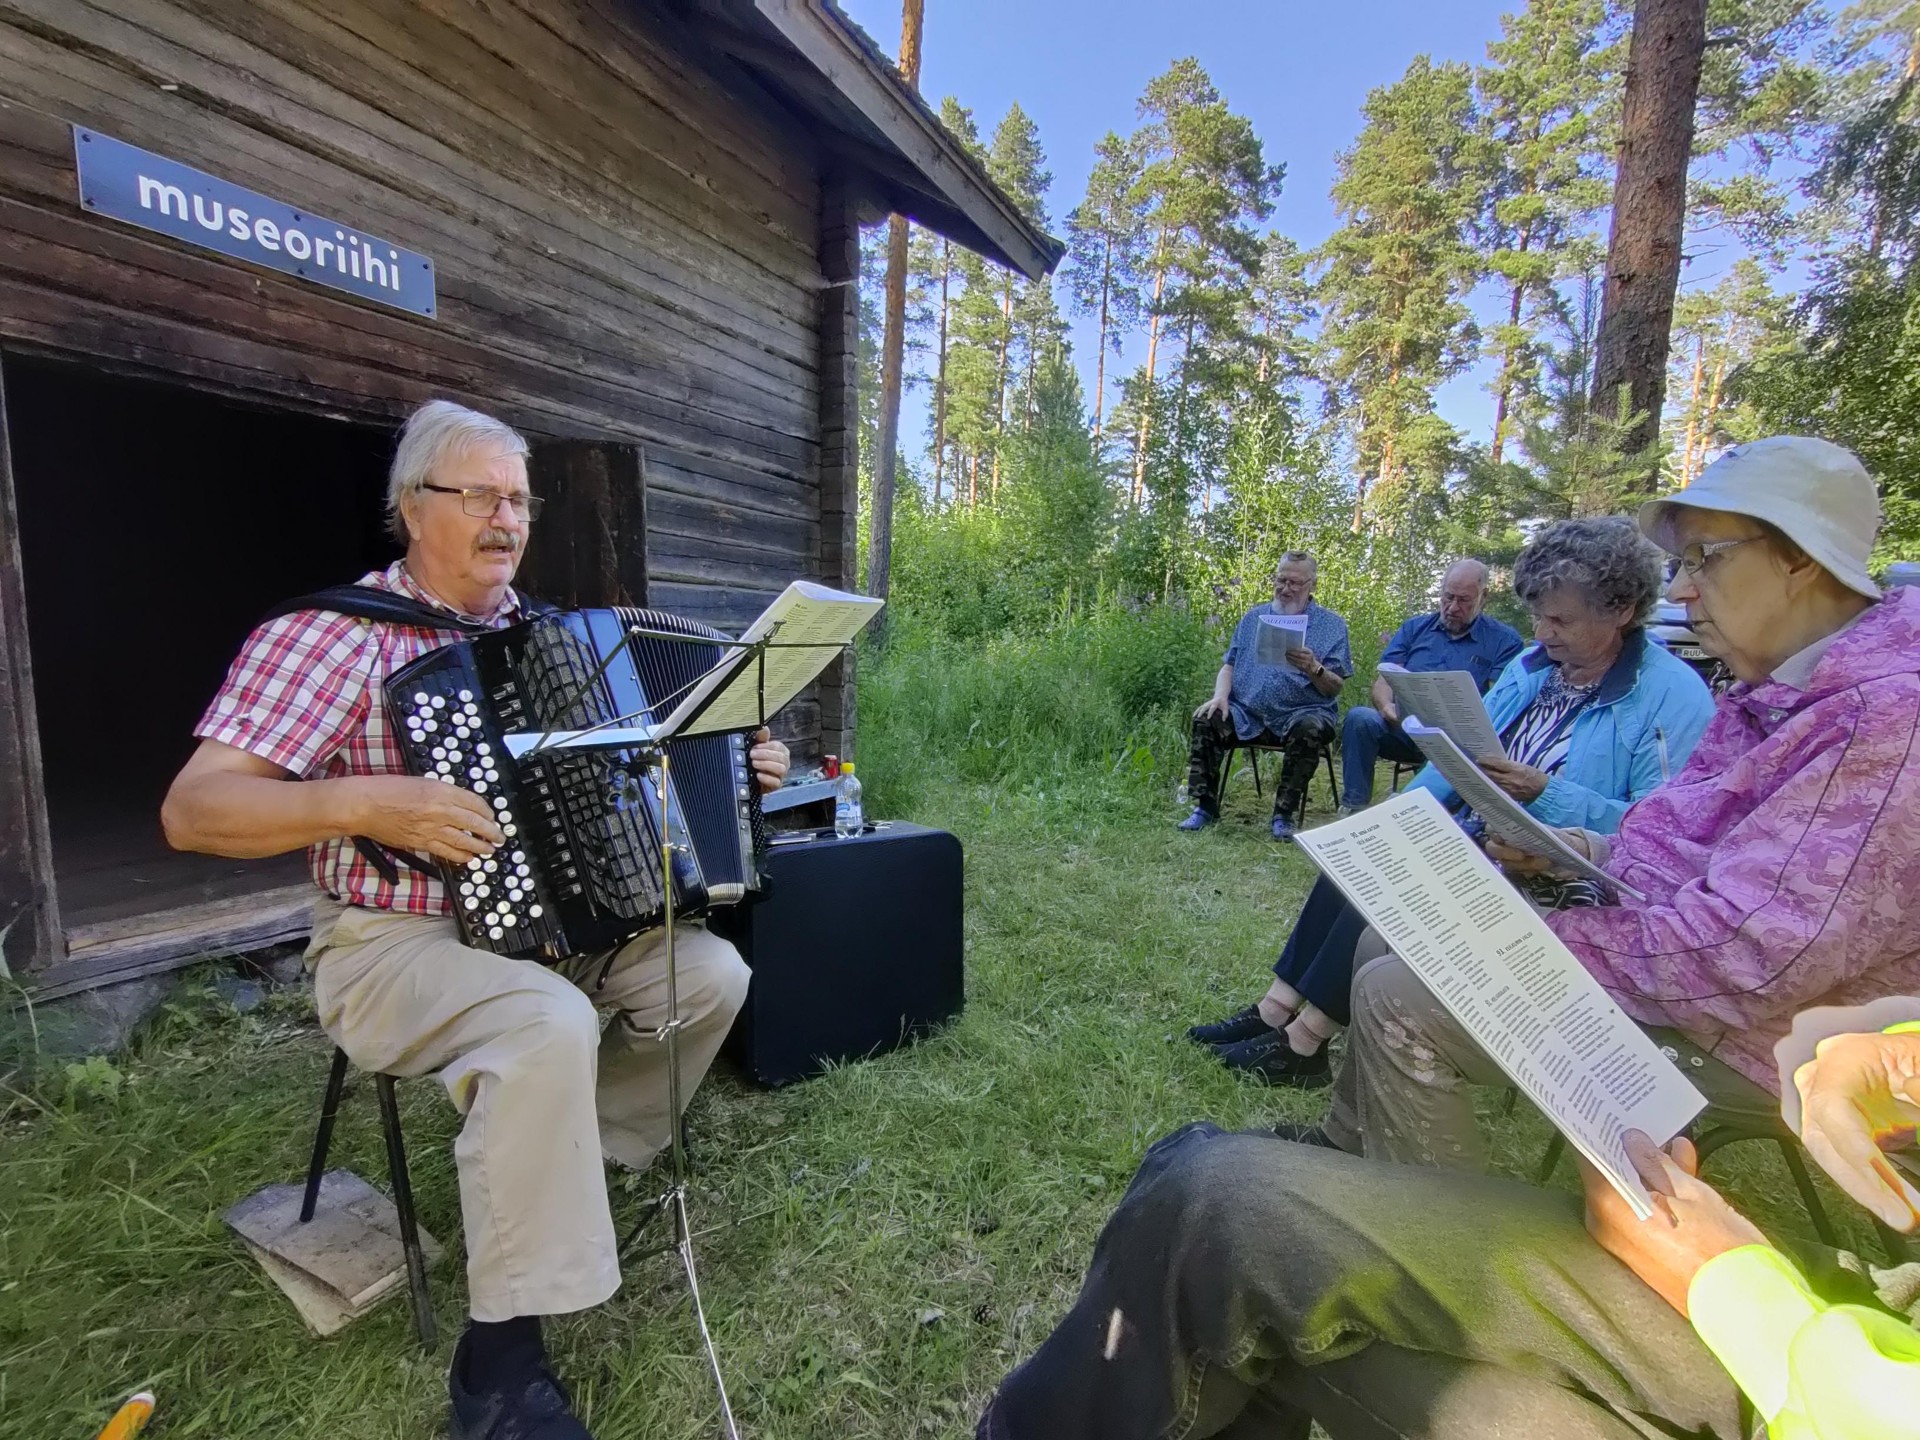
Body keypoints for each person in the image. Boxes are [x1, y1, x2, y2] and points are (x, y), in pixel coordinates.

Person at [160, 400, 788, 1440]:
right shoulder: (327, 638)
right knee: (546, 1024)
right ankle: (497, 1363)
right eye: (480, 496)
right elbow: (194, 810)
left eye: (518, 499)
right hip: (390, 940)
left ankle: (580, 1164)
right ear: (412, 507)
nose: (507, 518)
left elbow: (642, 779)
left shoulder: (549, 639)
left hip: (559, 924)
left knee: (712, 976)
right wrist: (362, 800)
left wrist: (735, 761)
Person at [1309, 436, 1920, 1172]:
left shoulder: (1882, 722)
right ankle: (1346, 1154)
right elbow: (1684, 836)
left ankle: (1455, 1262)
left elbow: (1744, 961)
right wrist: (1588, 850)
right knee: (1390, 941)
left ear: (1799, 557)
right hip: (1678, 961)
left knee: (1401, 994)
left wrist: (1523, 942)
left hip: (1759, 1039)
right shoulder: (1782, 688)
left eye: (1706, 558)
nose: (1685, 590)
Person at [976, 1008, 1920, 1440]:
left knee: (1214, 1208)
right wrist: (1878, 1051)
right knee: (1219, 1216)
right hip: (1850, 1330)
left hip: (1813, 1363)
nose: (1696, 596)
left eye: (1706, 585)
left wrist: (1726, 1277)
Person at [1191, 518, 1714, 1087]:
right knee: (1368, 851)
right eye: (1537, 615)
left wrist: (1549, 792)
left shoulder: (1671, 695)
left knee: (1404, 873)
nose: (1542, 632)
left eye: (1560, 618)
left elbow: (1658, 838)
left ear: (1621, 608)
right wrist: (1395, 817)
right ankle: (1273, 1010)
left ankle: (1304, 1041)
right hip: (1480, 835)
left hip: (1556, 876)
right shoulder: (1531, 667)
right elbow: (1461, 757)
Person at [1179, 552, 1352, 842]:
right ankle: (1205, 808)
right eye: (1280, 580)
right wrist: (1220, 696)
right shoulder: (1254, 617)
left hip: (1303, 711)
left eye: (1295, 583)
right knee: (1207, 718)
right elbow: (1229, 664)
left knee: (1309, 728)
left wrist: (1313, 667)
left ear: (1313, 585)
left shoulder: (1332, 626)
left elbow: (1334, 686)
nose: (1285, 589)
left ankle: (1283, 815)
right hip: (1248, 711)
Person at [1338, 558, 1523, 813]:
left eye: (1464, 600)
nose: (1453, 607)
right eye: (1448, 597)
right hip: (1405, 726)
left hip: (1458, 741)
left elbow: (1498, 701)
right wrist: (1386, 708)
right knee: (1360, 718)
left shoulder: (1504, 640)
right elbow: (1384, 679)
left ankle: (1416, 813)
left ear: (1484, 597)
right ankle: (1354, 808)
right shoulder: (1415, 628)